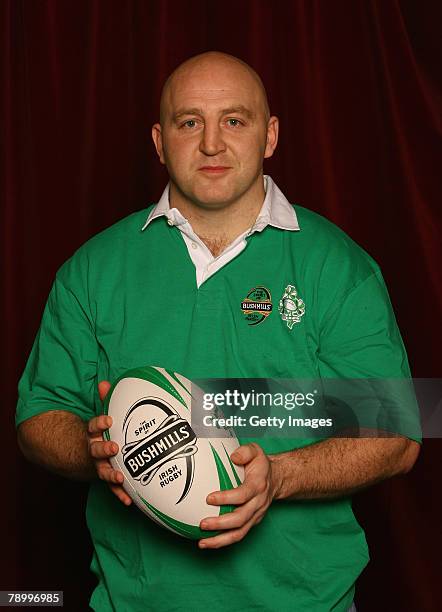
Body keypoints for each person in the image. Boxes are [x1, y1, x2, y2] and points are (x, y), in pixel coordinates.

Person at [16, 51, 420, 611]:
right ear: (159, 142)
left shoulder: (339, 266)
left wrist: (278, 475)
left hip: (306, 604)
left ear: (270, 135)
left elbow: (398, 436)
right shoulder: (92, 268)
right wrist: (96, 453)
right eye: (189, 123)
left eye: (235, 120)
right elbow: (38, 414)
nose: (211, 144)